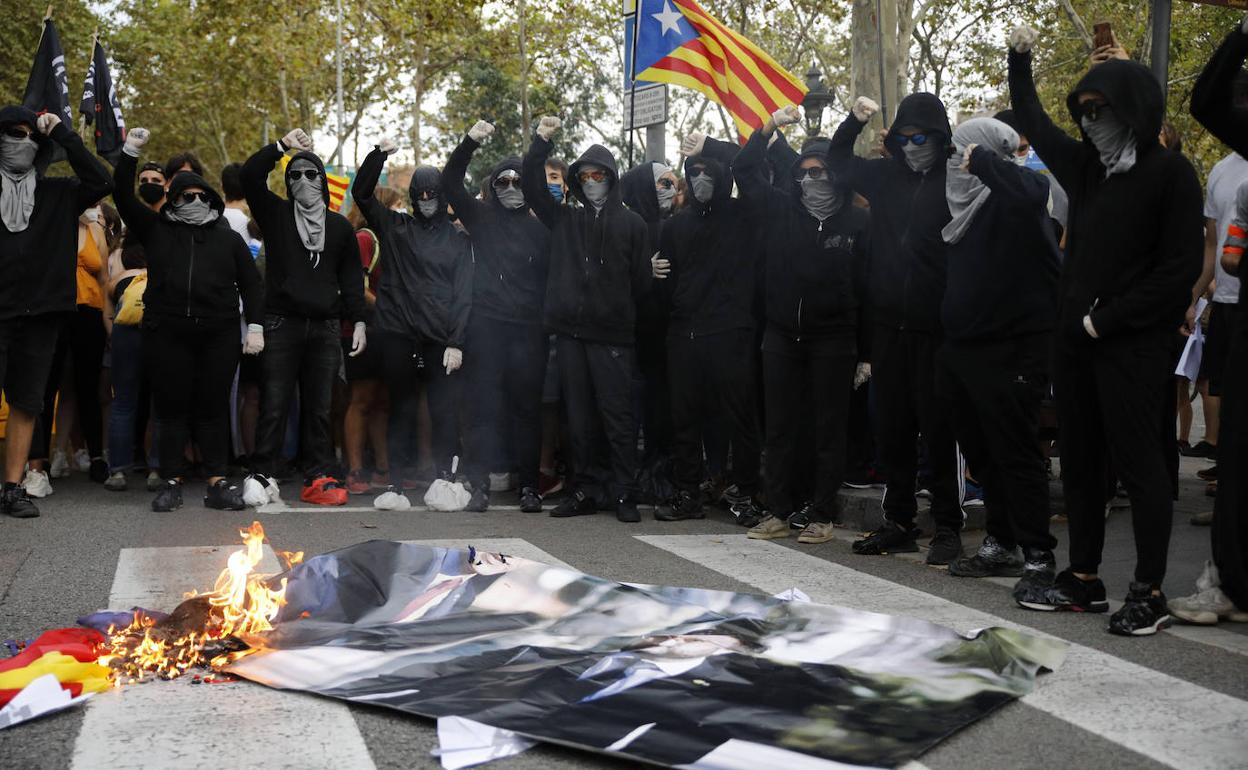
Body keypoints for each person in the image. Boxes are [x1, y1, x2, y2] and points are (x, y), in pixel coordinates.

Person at [1007, 26, 1203, 635]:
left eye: (1102, 110)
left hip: (1134, 346)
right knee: (1084, 463)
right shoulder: (1089, 171)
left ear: (1135, 112)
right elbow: (1036, 123)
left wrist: (1105, 318)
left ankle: (1148, 589)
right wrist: (1019, 62)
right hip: (1076, 347)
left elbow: (1177, 271)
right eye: (1085, 111)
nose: (1091, 123)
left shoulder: (1172, 174)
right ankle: (1083, 577)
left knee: (1141, 466)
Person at [827, 93, 966, 565]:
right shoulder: (884, 177)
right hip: (888, 327)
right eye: (904, 138)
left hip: (938, 328)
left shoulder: (957, 180)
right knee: (893, 429)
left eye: (922, 137)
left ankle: (949, 525)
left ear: (941, 137)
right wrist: (854, 121)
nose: (913, 146)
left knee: (939, 428)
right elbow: (839, 161)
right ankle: (899, 522)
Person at [934, 117, 1061, 603]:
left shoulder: (1017, 196)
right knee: (983, 452)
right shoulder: (964, 208)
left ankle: (1038, 556)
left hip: (1014, 348)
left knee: (1018, 451)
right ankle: (1001, 542)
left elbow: (1032, 189)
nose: (955, 163)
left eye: (961, 153)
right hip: (966, 347)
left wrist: (986, 161)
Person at [731, 106, 870, 545]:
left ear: (836, 175)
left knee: (828, 428)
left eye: (821, 171)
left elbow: (868, 289)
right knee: (780, 427)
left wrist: (867, 352)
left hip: (835, 337)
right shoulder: (780, 210)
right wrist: (768, 128)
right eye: (804, 172)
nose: (812, 180)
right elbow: (745, 169)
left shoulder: (859, 222)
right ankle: (778, 509)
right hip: (780, 336)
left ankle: (822, 513)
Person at [113, 127, 264, 512]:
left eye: (200, 195)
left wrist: (257, 327)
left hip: (219, 334)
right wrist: (129, 152)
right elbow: (121, 195)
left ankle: (216, 480)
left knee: (212, 407)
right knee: (170, 409)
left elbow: (252, 284)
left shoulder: (227, 238)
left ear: (211, 199)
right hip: (168, 333)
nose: (194, 201)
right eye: (185, 196)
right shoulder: (157, 229)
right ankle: (171, 480)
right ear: (173, 199)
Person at [521, 116, 651, 523]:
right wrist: (540, 143)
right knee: (577, 419)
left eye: (599, 174)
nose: (592, 180)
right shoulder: (565, 219)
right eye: (585, 175)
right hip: (571, 334)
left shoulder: (632, 224)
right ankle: (584, 490)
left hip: (612, 336)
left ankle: (624, 493)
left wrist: (619, 315)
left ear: (611, 178)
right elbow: (531, 186)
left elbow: (642, 284)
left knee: (618, 418)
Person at [241, 128, 368, 506]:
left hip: (326, 326)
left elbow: (350, 280)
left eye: (311, 174)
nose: (302, 180)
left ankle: (319, 474)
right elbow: (250, 176)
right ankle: (263, 473)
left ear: (322, 180)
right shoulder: (276, 214)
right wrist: (282, 148)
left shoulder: (341, 227)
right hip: (282, 323)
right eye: (293, 175)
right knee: (274, 402)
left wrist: (358, 319)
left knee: (320, 406)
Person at [0, 106, 112, 518]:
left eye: (32, 137)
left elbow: (102, 180)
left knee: (28, 402)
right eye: (14, 133)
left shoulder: (58, 193)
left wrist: (64, 134)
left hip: (41, 313)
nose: (23, 142)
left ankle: (13, 488)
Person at [1173, 18, 1248, 624]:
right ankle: (1229, 580)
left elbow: (1208, 101)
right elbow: (1207, 100)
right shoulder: (1230, 166)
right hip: (1234, 309)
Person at [352, 138, 472, 510]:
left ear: (441, 194)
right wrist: (378, 156)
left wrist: (457, 341)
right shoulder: (395, 227)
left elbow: (464, 291)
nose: (425, 198)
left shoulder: (456, 239)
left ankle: (446, 478)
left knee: (444, 409)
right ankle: (397, 483)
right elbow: (362, 192)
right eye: (418, 193)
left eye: (431, 192)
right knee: (401, 407)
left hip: (440, 336)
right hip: (399, 333)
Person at [649, 139, 764, 526]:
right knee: (684, 420)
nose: (700, 178)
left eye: (706, 171)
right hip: (685, 334)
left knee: (740, 417)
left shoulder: (743, 214)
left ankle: (747, 493)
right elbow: (665, 286)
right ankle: (688, 493)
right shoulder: (675, 226)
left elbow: (744, 161)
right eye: (693, 172)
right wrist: (651, 276)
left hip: (731, 331)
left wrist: (709, 146)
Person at [443, 121, 550, 513]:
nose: (508, 188)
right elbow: (451, 181)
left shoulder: (543, 229)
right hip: (487, 328)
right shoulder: (482, 217)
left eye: (516, 181)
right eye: (501, 182)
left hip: (528, 332)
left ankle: (529, 487)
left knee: (526, 410)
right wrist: (470, 141)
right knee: (481, 408)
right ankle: (479, 485)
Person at [620, 157, 678, 492]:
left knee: (661, 408)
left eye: (673, 183)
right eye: (664, 183)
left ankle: (659, 472)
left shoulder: (674, 224)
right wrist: (641, 271)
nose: (671, 190)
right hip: (631, 334)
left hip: (665, 336)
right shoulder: (628, 225)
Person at [341, 187, 398, 495]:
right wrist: (391, 308)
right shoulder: (365, 238)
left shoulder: (386, 240)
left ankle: (382, 468)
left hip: (384, 330)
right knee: (361, 400)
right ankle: (355, 469)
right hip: (361, 330)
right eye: (395, 206)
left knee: (382, 402)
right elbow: (357, 287)